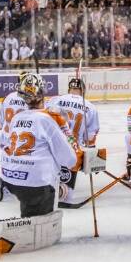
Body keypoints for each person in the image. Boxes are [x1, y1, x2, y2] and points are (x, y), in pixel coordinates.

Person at [0, 73, 77, 260]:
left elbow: (4, 142)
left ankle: (10, 209)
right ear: (42, 94)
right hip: (35, 183)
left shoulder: (16, 118)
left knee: (31, 211)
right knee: (42, 227)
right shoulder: (47, 119)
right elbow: (69, 160)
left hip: (10, 177)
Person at [46, 76, 100, 204]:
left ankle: (46, 193)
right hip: (74, 149)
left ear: (69, 89)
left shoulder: (55, 100)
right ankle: (65, 196)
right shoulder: (90, 106)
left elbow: (43, 118)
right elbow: (91, 136)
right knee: (65, 197)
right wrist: (92, 156)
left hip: (52, 147)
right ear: (83, 90)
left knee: (49, 176)